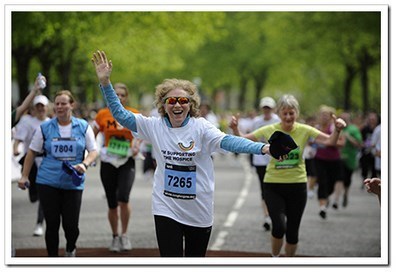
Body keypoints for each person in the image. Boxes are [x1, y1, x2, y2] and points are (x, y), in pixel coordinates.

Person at [91, 50, 279, 257]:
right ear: (163, 106)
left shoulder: (201, 128)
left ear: (191, 105)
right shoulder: (154, 126)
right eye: (171, 101)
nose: (177, 105)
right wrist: (106, 83)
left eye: (183, 100)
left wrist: (263, 148)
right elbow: (121, 115)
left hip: (199, 207)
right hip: (166, 205)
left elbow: (229, 142)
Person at [229, 94, 346, 257]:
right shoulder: (270, 129)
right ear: (279, 113)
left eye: (292, 113)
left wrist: (338, 129)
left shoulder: (304, 130)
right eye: (285, 113)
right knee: (279, 227)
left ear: (296, 113)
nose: (288, 117)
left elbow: (330, 142)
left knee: (292, 232)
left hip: (297, 186)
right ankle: (275, 258)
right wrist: (235, 129)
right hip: (273, 185)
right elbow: (244, 141)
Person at [18, 90, 98, 257]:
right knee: (52, 224)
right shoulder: (45, 128)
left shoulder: (83, 126)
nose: (60, 107)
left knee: (71, 226)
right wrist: (24, 176)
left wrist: (84, 164)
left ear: (72, 105)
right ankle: (52, 260)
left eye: (64, 103)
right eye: (57, 103)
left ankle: (70, 249)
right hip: (48, 181)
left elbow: (93, 151)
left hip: (73, 182)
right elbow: (32, 152)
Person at [92, 82, 141, 252]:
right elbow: (92, 134)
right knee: (112, 203)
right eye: (116, 94)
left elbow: (141, 132)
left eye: (122, 95)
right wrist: (91, 151)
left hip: (126, 160)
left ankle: (125, 235)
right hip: (108, 161)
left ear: (126, 97)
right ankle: (115, 236)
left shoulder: (133, 113)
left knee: (124, 198)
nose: (119, 97)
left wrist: (136, 144)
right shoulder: (102, 114)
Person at [13, 95, 50, 236]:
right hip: (31, 161)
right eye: (38, 106)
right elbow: (19, 137)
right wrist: (15, 148)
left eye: (43, 106)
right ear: (34, 108)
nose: (41, 109)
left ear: (47, 108)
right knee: (34, 196)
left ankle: (39, 223)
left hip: (46, 162)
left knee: (44, 194)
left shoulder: (52, 123)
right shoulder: (28, 122)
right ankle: (34, 193)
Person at [247, 97, 280, 231]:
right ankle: (267, 216)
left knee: (276, 187)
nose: (267, 110)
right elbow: (251, 138)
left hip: (275, 160)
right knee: (264, 188)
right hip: (260, 160)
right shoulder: (257, 121)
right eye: (265, 108)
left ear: (273, 109)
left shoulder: (277, 120)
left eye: (269, 108)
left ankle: (276, 214)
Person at [313, 105, 346, 219]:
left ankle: (326, 198)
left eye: (326, 115)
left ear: (331, 117)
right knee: (322, 182)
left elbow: (342, 143)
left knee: (331, 184)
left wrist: (329, 142)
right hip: (319, 159)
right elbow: (311, 141)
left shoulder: (334, 128)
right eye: (322, 115)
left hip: (333, 159)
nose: (324, 117)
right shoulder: (316, 128)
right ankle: (322, 207)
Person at [334, 112, 363, 208]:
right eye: (341, 118)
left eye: (345, 118)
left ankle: (345, 194)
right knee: (339, 178)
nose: (343, 120)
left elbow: (359, 144)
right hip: (339, 158)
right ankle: (336, 200)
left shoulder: (353, 129)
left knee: (347, 180)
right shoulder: (337, 129)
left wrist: (348, 137)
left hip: (350, 158)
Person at [359, 112, 379, 185]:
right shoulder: (365, 128)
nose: (372, 120)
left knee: (374, 168)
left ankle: (373, 183)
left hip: (375, 151)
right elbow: (360, 139)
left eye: (373, 119)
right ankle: (364, 180)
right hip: (366, 151)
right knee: (364, 167)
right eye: (371, 119)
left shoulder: (379, 129)